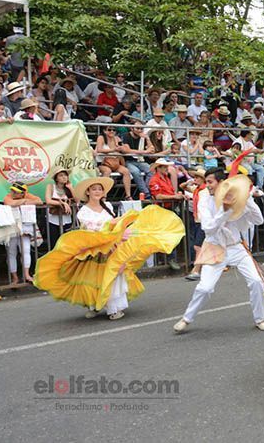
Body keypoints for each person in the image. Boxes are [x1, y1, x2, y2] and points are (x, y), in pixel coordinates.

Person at [34, 176, 184, 320]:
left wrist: (118, 229)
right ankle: (94, 306)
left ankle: (114, 308)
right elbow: (91, 229)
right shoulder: (83, 211)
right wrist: (109, 229)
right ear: (88, 192)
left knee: (112, 276)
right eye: (94, 189)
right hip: (94, 249)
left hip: (111, 248)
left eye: (100, 189)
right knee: (93, 278)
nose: (97, 191)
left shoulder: (109, 207)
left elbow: (113, 224)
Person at [173, 169, 264, 332]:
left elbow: (258, 220)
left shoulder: (236, 198)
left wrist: (248, 199)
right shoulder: (204, 198)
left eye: (210, 181)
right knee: (205, 288)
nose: (207, 185)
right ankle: (186, 319)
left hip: (237, 247)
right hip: (214, 248)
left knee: (256, 281)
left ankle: (259, 319)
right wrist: (225, 210)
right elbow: (208, 229)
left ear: (220, 182)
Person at [3, 183, 42, 284]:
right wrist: (25, 201)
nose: (13, 193)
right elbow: (9, 203)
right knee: (11, 253)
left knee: (26, 251)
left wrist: (23, 201)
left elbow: (39, 201)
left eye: (16, 192)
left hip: (25, 227)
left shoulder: (28, 195)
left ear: (23, 193)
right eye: (13, 191)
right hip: (11, 227)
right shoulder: (8, 197)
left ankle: (26, 275)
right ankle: (15, 278)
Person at [94, 127, 133, 199]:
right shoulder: (101, 137)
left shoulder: (117, 138)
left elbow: (124, 149)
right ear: (104, 131)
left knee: (126, 171)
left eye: (114, 130)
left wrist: (122, 148)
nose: (112, 131)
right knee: (107, 171)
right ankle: (103, 195)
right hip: (102, 163)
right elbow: (99, 149)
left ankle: (128, 195)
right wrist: (113, 149)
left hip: (115, 162)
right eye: (109, 130)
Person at [44, 168, 75, 250]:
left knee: (67, 244)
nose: (64, 177)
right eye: (61, 175)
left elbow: (77, 200)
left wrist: (71, 188)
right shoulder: (51, 186)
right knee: (54, 244)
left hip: (67, 219)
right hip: (53, 220)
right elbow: (48, 200)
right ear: (56, 178)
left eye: (65, 175)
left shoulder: (68, 188)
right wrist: (62, 203)